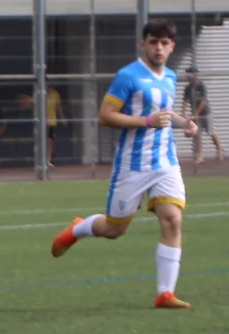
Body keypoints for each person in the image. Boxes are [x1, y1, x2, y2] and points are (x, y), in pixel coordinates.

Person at [49, 20, 197, 309]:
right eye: (153, 42)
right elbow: (105, 116)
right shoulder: (127, 76)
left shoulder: (170, 76)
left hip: (166, 162)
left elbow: (164, 112)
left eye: (164, 43)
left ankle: (164, 293)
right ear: (143, 44)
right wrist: (147, 121)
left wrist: (185, 124)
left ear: (172, 47)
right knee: (114, 229)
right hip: (133, 164)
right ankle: (77, 229)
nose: (158, 48)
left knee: (173, 219)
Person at [183, 67, 226, 164]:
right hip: (195, 115)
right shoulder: (188, 88)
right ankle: (200, 155)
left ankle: (219, 149)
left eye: (189, 75)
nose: (187, 77)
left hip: (206, 113)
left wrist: (196, 113)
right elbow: (185, 101)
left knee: (211, 132)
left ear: (194, 75)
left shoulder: (201, 85)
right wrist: (183, 113)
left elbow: (203, 101)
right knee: (197, 135)